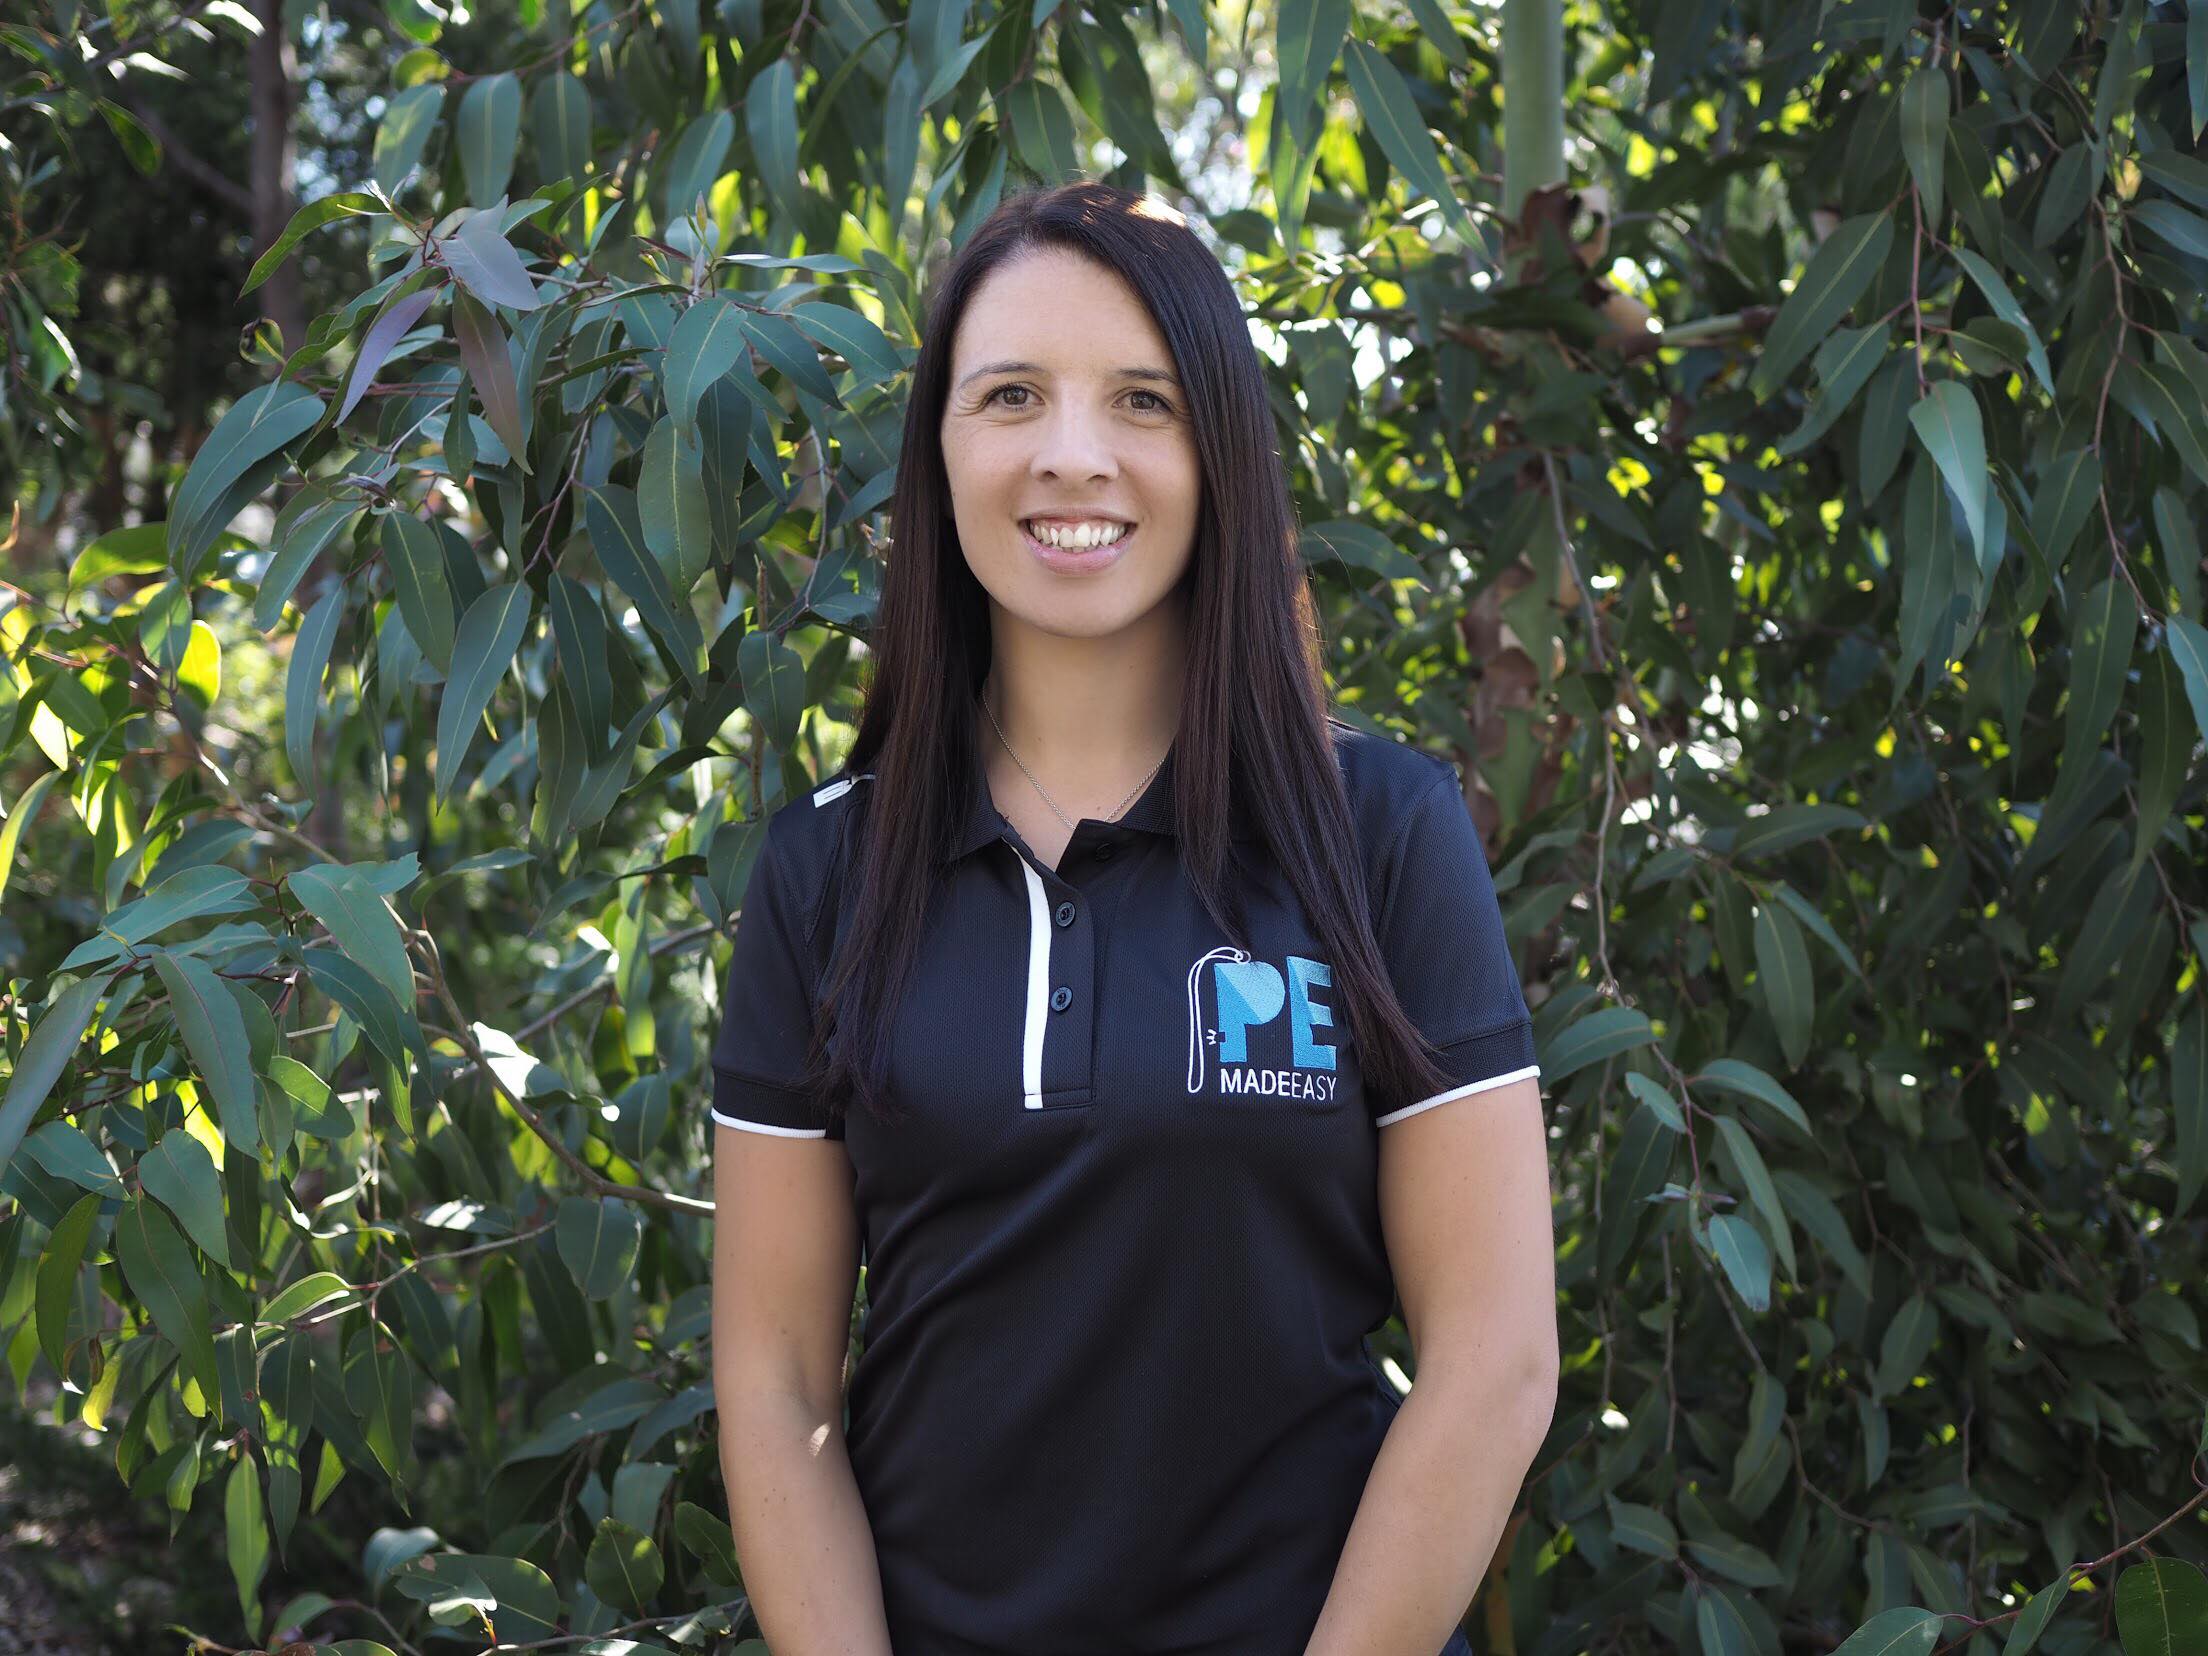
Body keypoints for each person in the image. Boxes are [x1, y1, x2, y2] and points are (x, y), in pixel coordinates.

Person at [709, 179, 1557, 1656]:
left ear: (1220, 447)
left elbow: (1494, 1362)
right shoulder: (826, 871)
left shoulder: (1378, 832)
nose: (1073, 454)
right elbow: (778, 1387)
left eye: (1142, 400)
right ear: (940, 450)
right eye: (1011, 396)